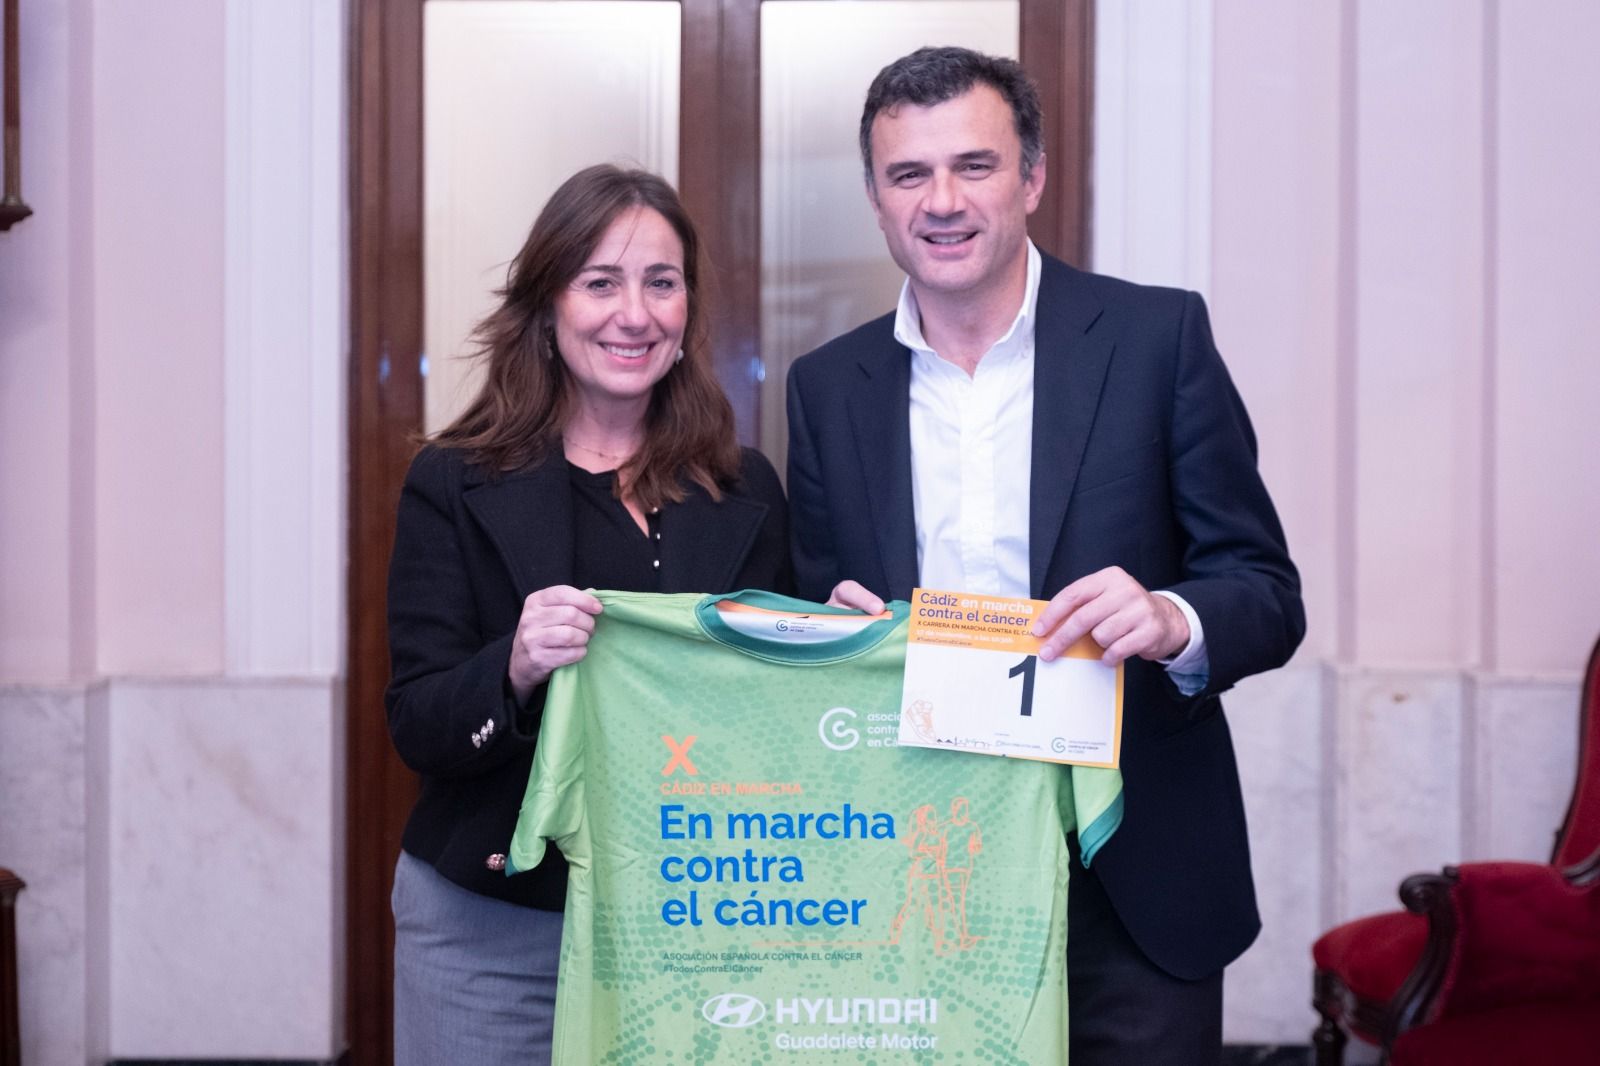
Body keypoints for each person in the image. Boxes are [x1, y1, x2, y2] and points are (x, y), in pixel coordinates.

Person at [785, 47, 1304, 1064]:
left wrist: (1169, 619)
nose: (941, 200)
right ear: (875, 200)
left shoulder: (1158, 339)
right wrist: (829, 637)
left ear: (1031, 177)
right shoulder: (824, 386)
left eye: (973, 166)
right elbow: (814, 615)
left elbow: (1264, 592)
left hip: (1134, 874)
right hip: (918, 876)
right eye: (908, 175)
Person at [385, 164, 792, 1065]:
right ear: (547, 306)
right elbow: (417, 721)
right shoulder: (453, 482)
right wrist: (517, 665)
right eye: (600, 282)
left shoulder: (744, 488)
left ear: (689, 309)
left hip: (690, 918)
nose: (634, 313)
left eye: (662, 282)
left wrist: (832, 642)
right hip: (494, 930)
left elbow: (771, 720)